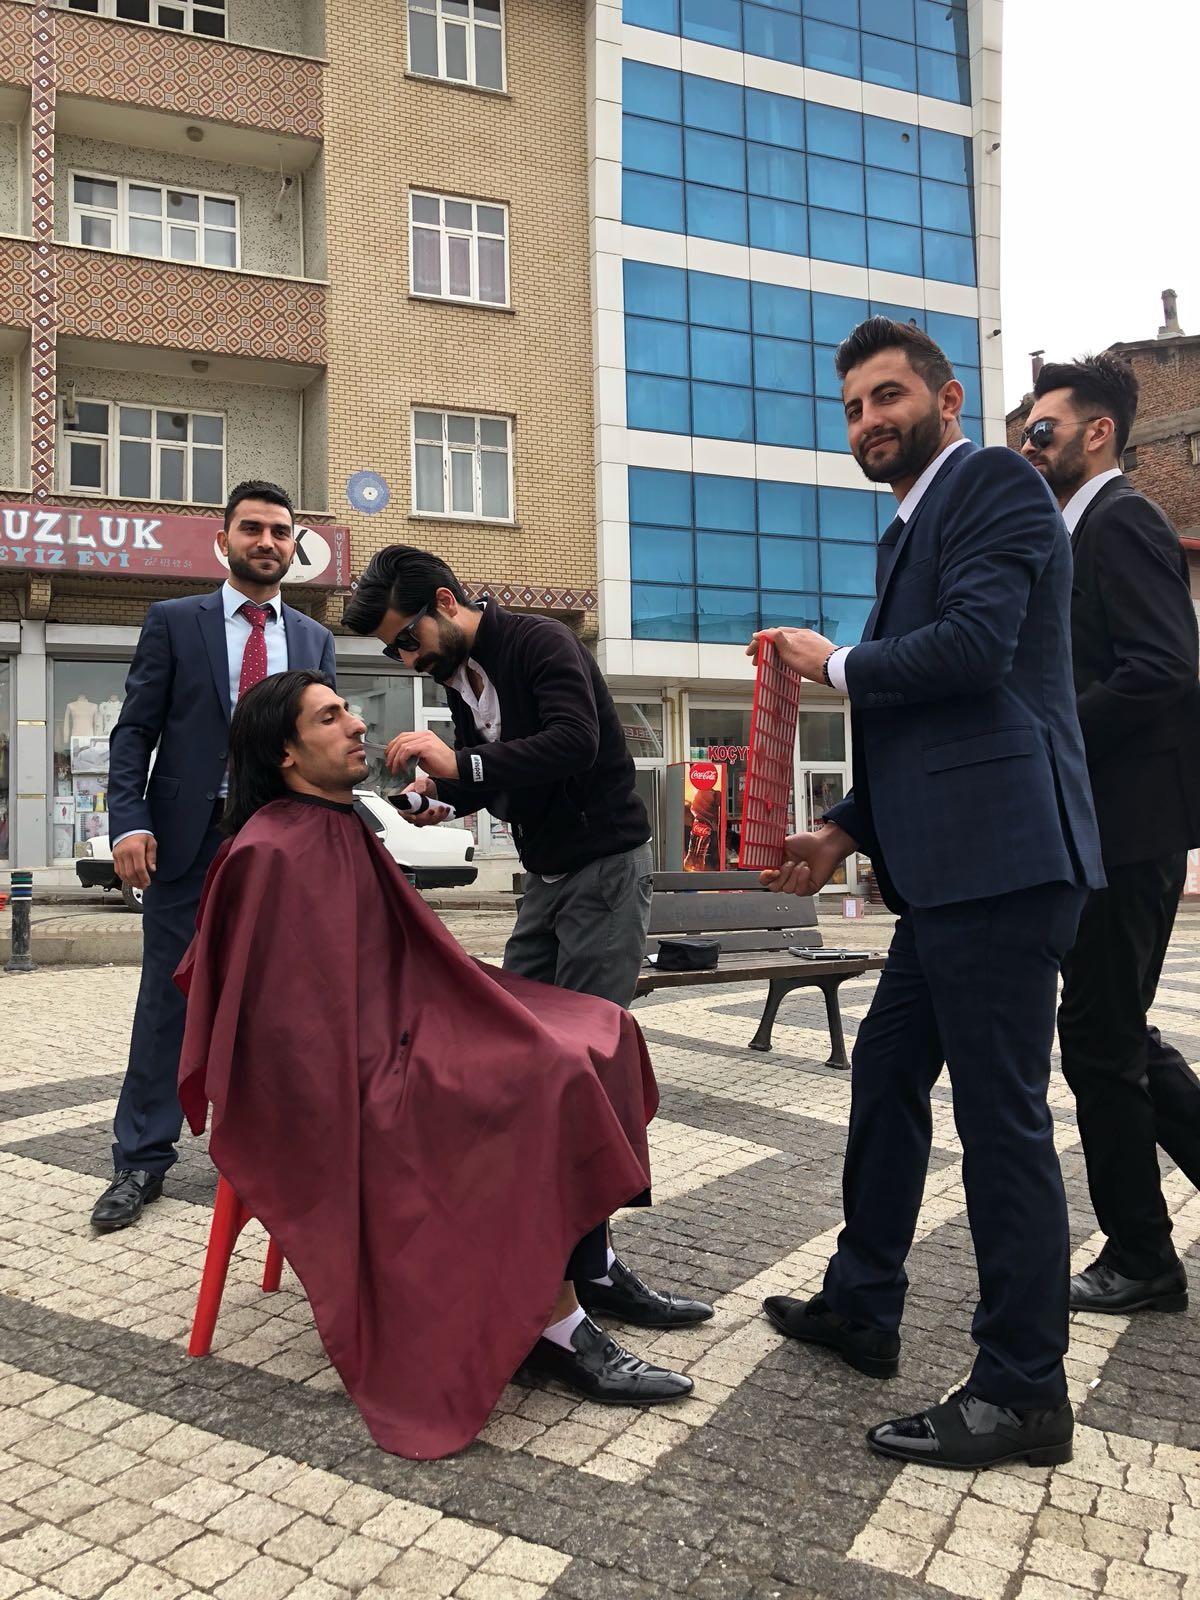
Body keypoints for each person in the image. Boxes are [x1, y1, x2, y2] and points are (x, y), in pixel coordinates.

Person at [176, 670, 692, 1459]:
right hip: (345, 1074)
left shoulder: (335, 823)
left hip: (399, 1025)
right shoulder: (272, 851)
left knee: (603, 1028)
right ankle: (558, 1325)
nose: (357, 725)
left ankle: (590, 1260)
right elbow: (293, 1031)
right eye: (330, 717)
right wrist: (414, 1044)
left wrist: (442, 1012)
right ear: (285, 753)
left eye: (348, 711)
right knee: (541, 1075)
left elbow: (393, 960)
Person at [752, 317, 1104, 1471]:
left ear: (948, 401)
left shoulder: (993, 483)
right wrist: (841, 830)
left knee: (1002, 1122)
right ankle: (864, 1302)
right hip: (950, 873)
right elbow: (925, 726)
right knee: (890, 1071)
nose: (869, 420)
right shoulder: (908, 530)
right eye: (854, 406)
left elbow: (974, 651)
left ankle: (1022, 1390)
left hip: (1004, 862)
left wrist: (830, 661)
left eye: (889, 396)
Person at [341, 547, 714, 1389]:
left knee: (582, 1071)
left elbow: (575, 744)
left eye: (406, 639)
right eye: (393, 650)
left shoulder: (541, 642)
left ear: (444, 601)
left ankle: (588, 1274)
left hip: (603, 869)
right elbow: (496, 775)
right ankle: (580, 1272)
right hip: (545, 879)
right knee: (526, 1065)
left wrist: (463, 766)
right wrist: (440, 797)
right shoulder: (459, 676)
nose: (404, 658)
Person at [92, 482, 337, 1233]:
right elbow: (135, 732)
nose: (267, 542)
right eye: (252, 529)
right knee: (168, 997)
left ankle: (266, 1153)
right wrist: (128, 823)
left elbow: (322, 746)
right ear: (222, 540)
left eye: (280, 531)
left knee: (279, 1000)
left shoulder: (313, 639)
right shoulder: (174, 622)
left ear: (294, 546)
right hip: (185, 841)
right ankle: (141, 1158)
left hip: (280, 844)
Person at [1021, 353, 1200, 1314]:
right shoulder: (1074, 533)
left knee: (1097, 1041)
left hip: (1129, 828)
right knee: (1113, 1033)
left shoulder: (1121, 520)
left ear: (1097, 434)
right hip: (1105, 828)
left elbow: (1164, 668)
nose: (1028, 444)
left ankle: (1142, 1258)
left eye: (1042, 429)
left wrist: (1049, 732)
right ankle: (1142, 1250)